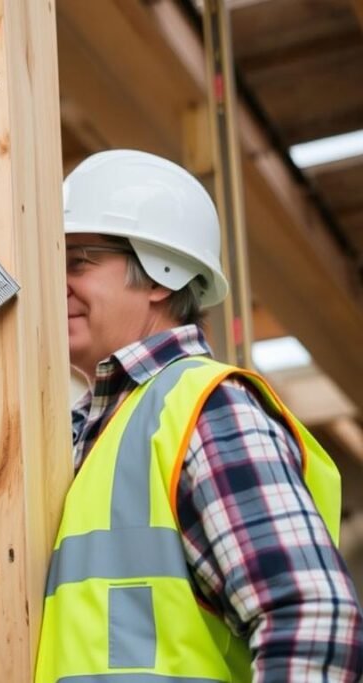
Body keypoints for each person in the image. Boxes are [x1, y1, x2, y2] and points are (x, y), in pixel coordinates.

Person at [35, 149, 363, 681]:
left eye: (79, 261)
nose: (56, 283)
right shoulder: (92, 434)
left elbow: (311, 622)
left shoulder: (207, 409)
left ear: (163, 274)